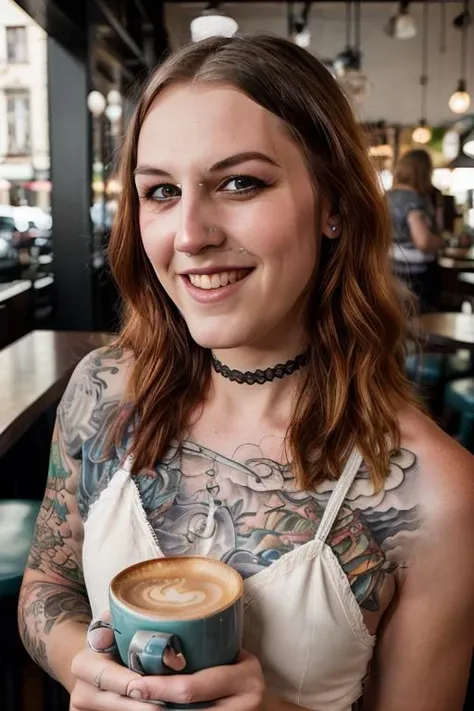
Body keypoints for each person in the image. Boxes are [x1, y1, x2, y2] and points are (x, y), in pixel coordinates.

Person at [18, 35, 474, 711]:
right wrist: (87, 668)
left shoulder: (436, 490)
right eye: (162, 191)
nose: (190, 233)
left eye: (240, 182)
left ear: (335, 206)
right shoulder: (102, 389)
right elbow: (46, 584)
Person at [386, 149, 445, 312]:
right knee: (425, 326)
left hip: (390, 271)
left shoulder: (386, 197)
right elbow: (423, 242)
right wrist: (442, 240)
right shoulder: (415, 200)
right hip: (417, 276)